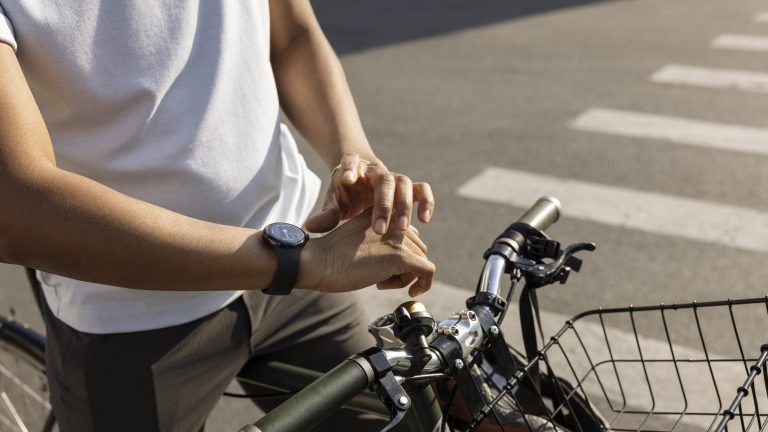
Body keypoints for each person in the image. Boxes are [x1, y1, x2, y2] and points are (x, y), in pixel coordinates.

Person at [0, 1, 435, 431]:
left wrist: (354, 154)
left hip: (297, 252)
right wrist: (305, 262)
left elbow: (291, 37)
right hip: (132, 318)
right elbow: (16, 206)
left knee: (392, 422)